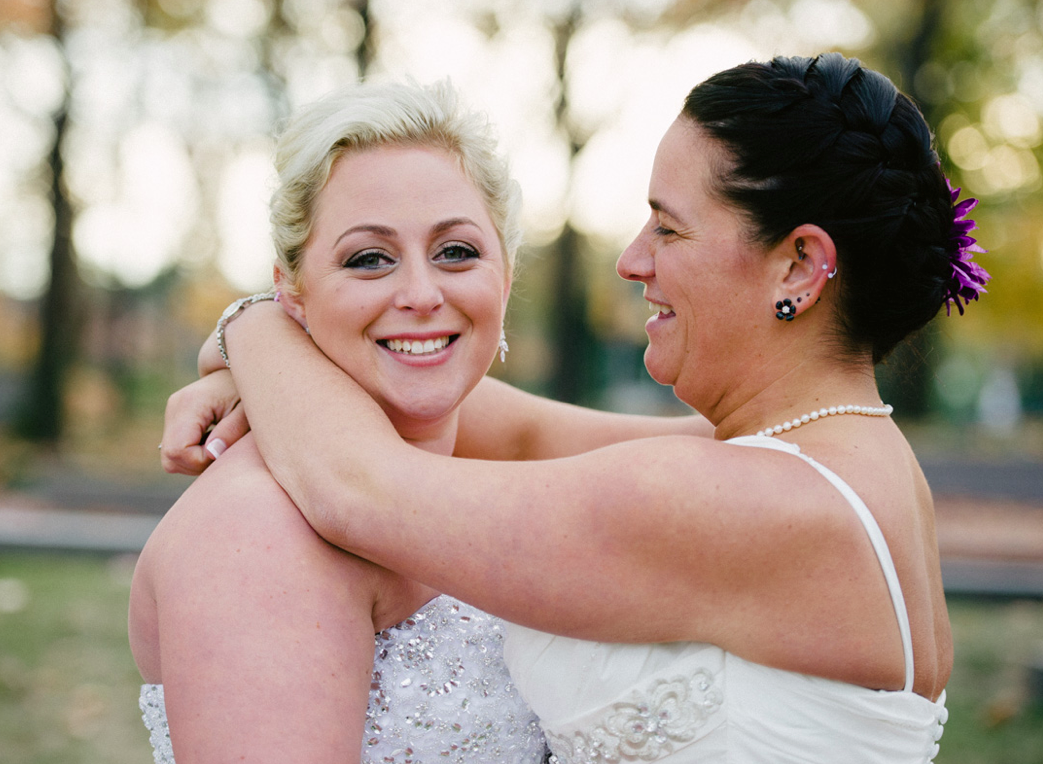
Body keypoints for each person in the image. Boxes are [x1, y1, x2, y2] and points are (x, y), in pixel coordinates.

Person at [176, 53, 989, 762]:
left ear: (799, 267)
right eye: (369, 258)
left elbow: (360, 486)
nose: (631, 260)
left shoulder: (757, 504)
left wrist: (254, 326)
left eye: (667, 230)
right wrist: (295, 337)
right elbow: (513, 425)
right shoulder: (833, 460)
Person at [129, 80, 610, 763]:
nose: (420, 294)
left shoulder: (477, 456)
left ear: (505, 278)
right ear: (291, 296)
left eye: (455, 252)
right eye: (368, 260)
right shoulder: (255, 531)